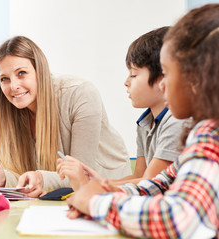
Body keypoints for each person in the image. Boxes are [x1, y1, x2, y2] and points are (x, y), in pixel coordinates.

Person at [65, 4, 219, 239]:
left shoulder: (212, 136)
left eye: (167, 73)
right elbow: (158, 184)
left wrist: (99, 203)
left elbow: (179, 220)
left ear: (196, 78)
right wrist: (104, 193)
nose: (163, 84)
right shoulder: (200, 132)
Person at [0, 35, 131, 197]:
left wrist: (40, 178)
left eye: (21, 73)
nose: (14, 86)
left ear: (39, 71)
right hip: (60, 196)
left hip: (109, 193)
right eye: (4, 79)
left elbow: (80, 174)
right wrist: (3, 179)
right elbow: (30, 176)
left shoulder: (81, 93)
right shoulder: (13, 111)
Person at [57, 27, 190, 191]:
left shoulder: (177, 121)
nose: (126, 82)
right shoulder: (145, 123)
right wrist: (97, 182)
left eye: (133, 75)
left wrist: (92, 185)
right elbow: (138, 177)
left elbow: (150, 183)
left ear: (162, 77)